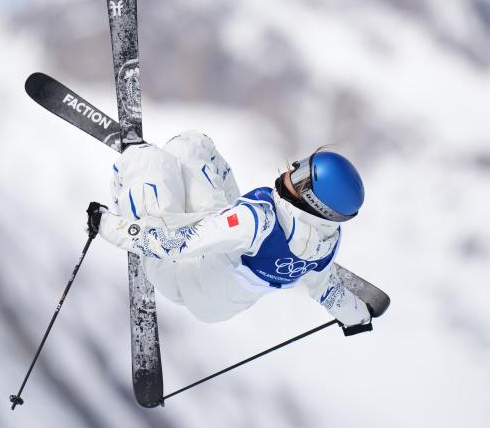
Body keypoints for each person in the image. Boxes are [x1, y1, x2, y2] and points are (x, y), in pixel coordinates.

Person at [86, 130, 371, 327]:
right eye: (304, 163)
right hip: (220, 286)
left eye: (302, 174)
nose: (292, 168)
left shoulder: (258, 222)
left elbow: (174, 246)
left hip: (181, 275)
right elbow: (327, 291)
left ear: (313, 202)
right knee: (192, 146)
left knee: (144, 160)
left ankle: (144, 171)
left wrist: (105, 223)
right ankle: (164, 170)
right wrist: (358, 317)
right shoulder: (328, 242)